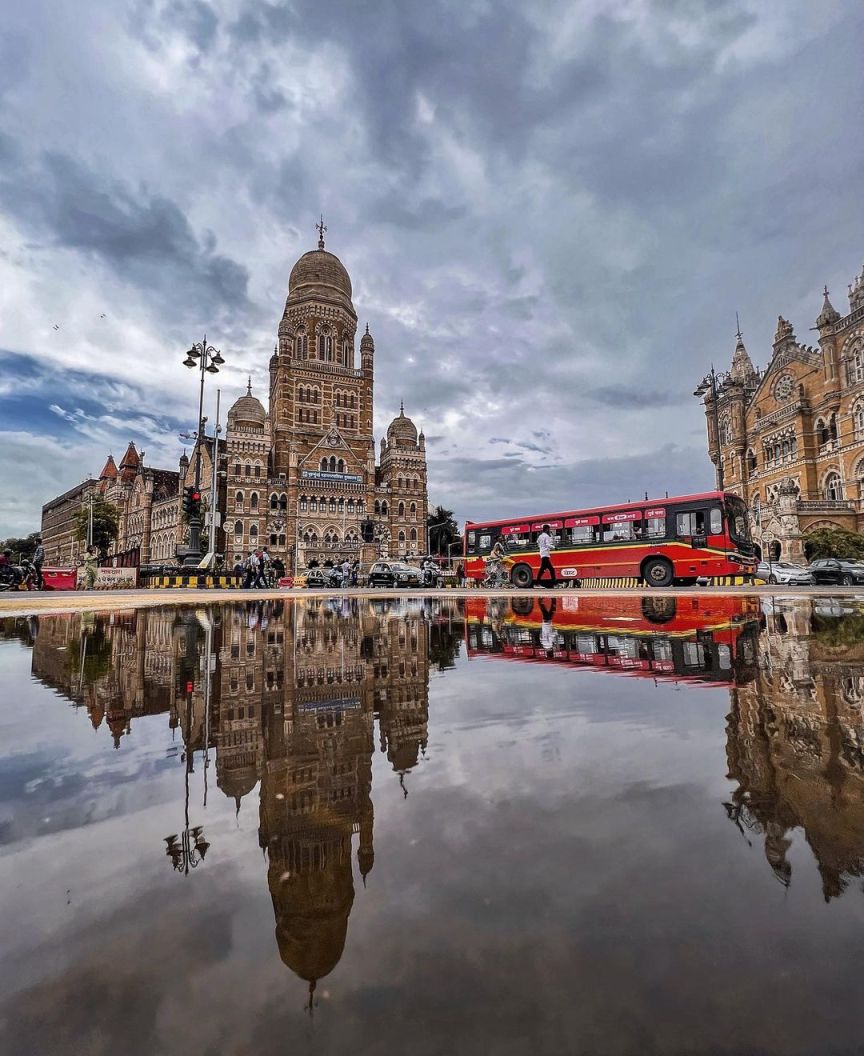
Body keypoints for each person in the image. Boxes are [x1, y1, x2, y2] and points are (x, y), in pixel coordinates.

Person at [536, 523, 556, 589]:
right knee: (549, 569)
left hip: (542, 553)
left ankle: (552, 584)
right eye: (549, 529)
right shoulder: (546, 536)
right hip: (545, 554)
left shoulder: (540, 536)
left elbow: (537, 542)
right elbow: (547, 544)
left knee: (546, 569)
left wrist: (542, 548)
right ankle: (553, 584)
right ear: (547, 529)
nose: (549, 530)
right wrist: (554, 547)